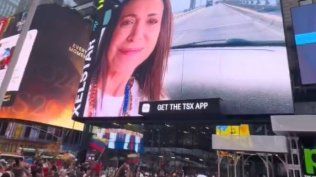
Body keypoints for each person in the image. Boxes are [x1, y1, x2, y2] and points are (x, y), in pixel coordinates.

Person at [84, 0, 173, 117]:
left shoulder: (156, 103)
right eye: (128, 22)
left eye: (152, 21)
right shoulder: (73, 87)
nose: (136, 36)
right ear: (110, 28)